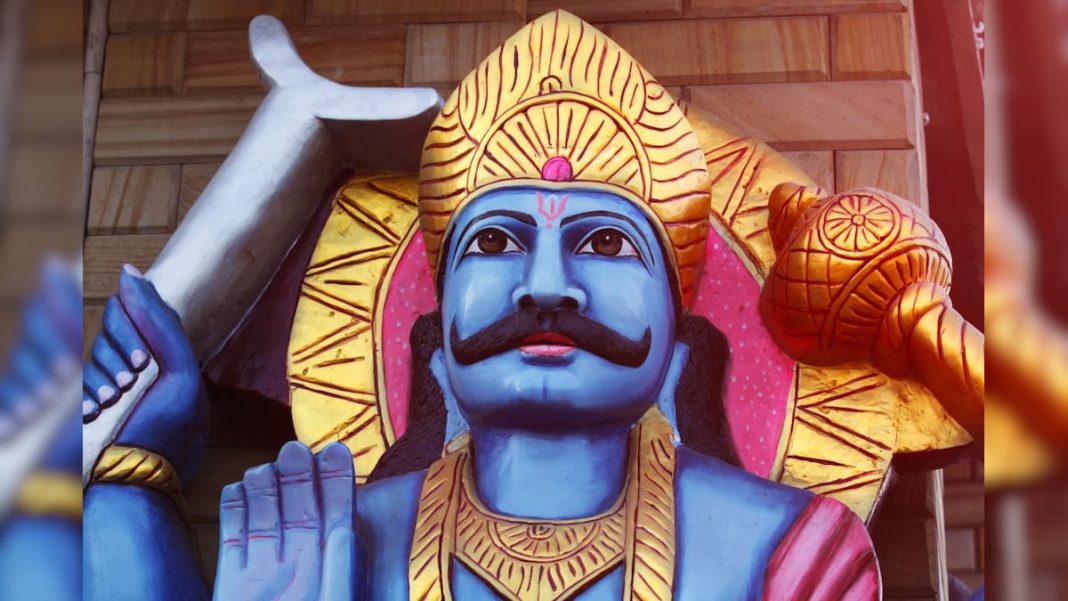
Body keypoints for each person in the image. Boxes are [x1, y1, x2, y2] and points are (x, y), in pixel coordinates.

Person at [83, 11, 880, 600]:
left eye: (605, 243)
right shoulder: (327, 540)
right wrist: (128, 485)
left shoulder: (792, 555)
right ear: (437, 322)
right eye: (495, 241)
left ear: (680, 320)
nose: (546, 284)